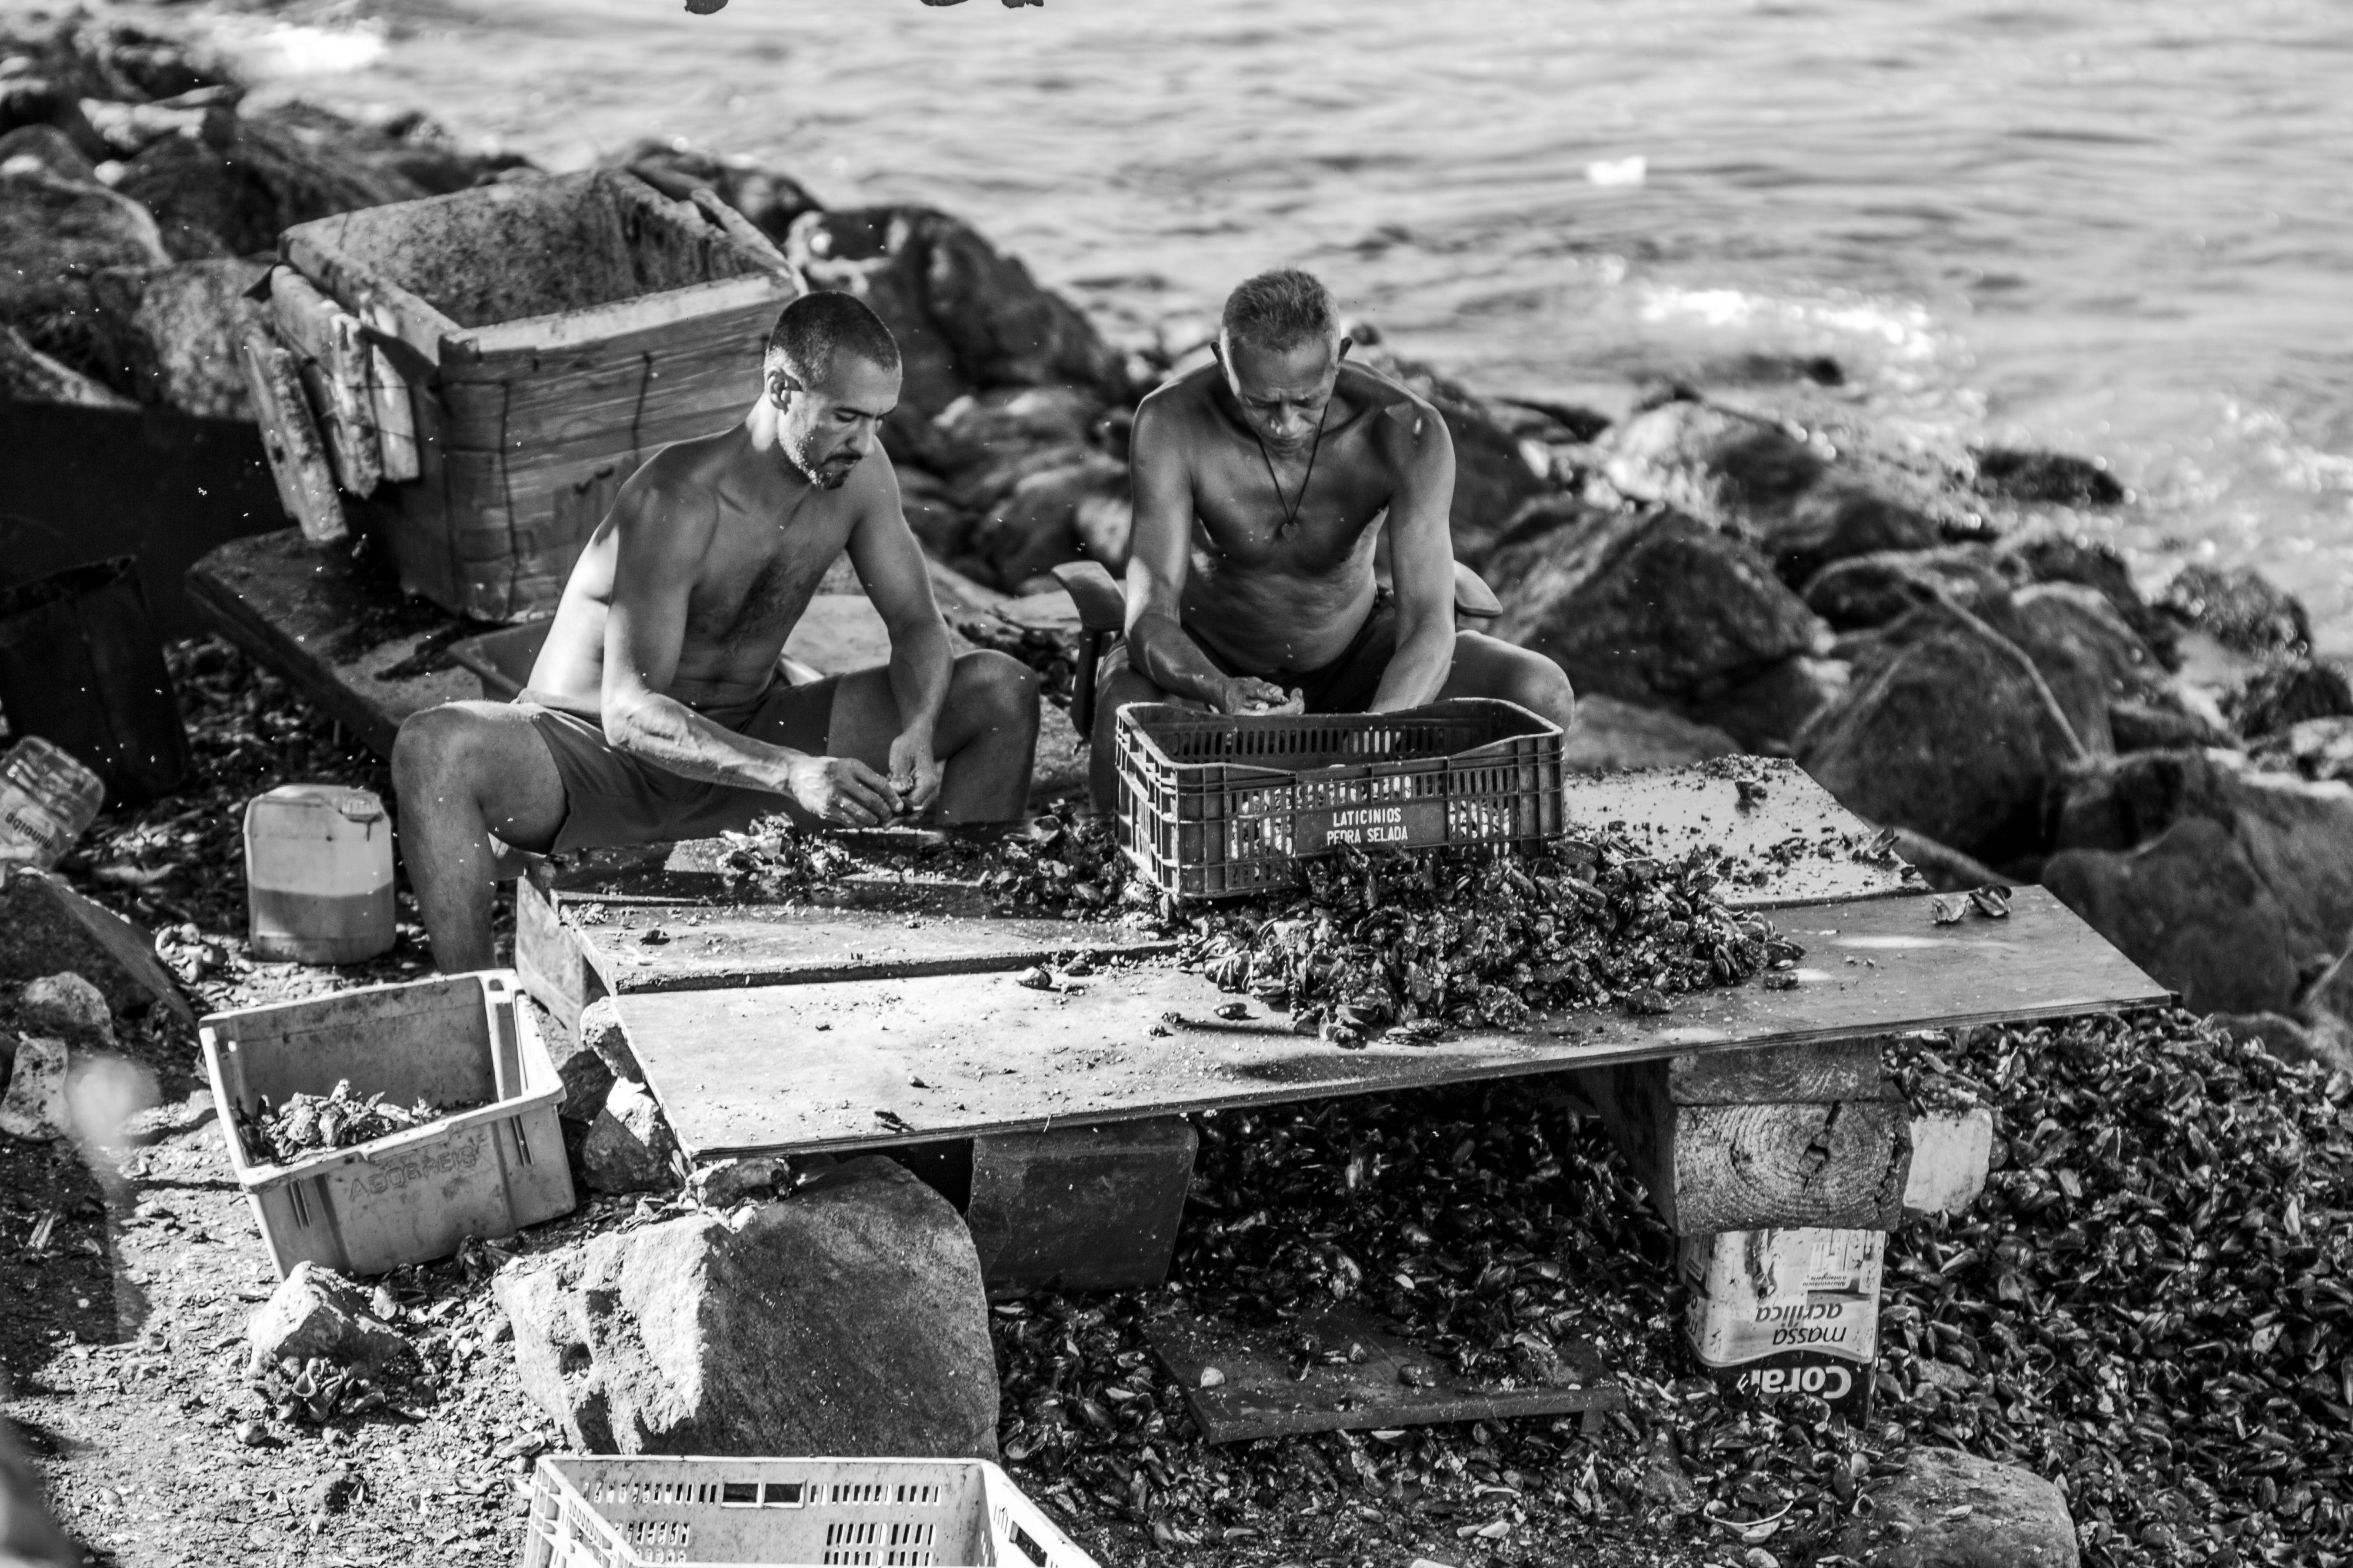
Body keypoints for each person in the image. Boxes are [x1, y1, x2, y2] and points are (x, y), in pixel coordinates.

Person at [394, 291, 1041, 973]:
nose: (866, 442)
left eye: (879, 420)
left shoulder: (860, 476)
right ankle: (476, 1010)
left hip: (751, 740)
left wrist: (918, 726)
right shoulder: (675, 498)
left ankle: (967, 945)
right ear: (781, 388)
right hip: (597, 761)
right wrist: (792, 772)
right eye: (847, 417)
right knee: (433, 746)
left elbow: (916, 624)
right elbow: (629, 712)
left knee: (998, 690)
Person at [1089, 266, 1575, 805]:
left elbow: (1428, 626)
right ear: (1220, 360)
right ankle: (1119, 873)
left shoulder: (1407, 431)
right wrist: (1216, 688)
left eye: (1307, 401)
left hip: (1355, 662)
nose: (1285, 424)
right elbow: (1150, 615)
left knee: (1540, 693)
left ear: (1339, 357)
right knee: (1122, 716)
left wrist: (1375, 733)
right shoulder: (1169, 422)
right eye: (1260, 402)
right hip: (1213, 662)